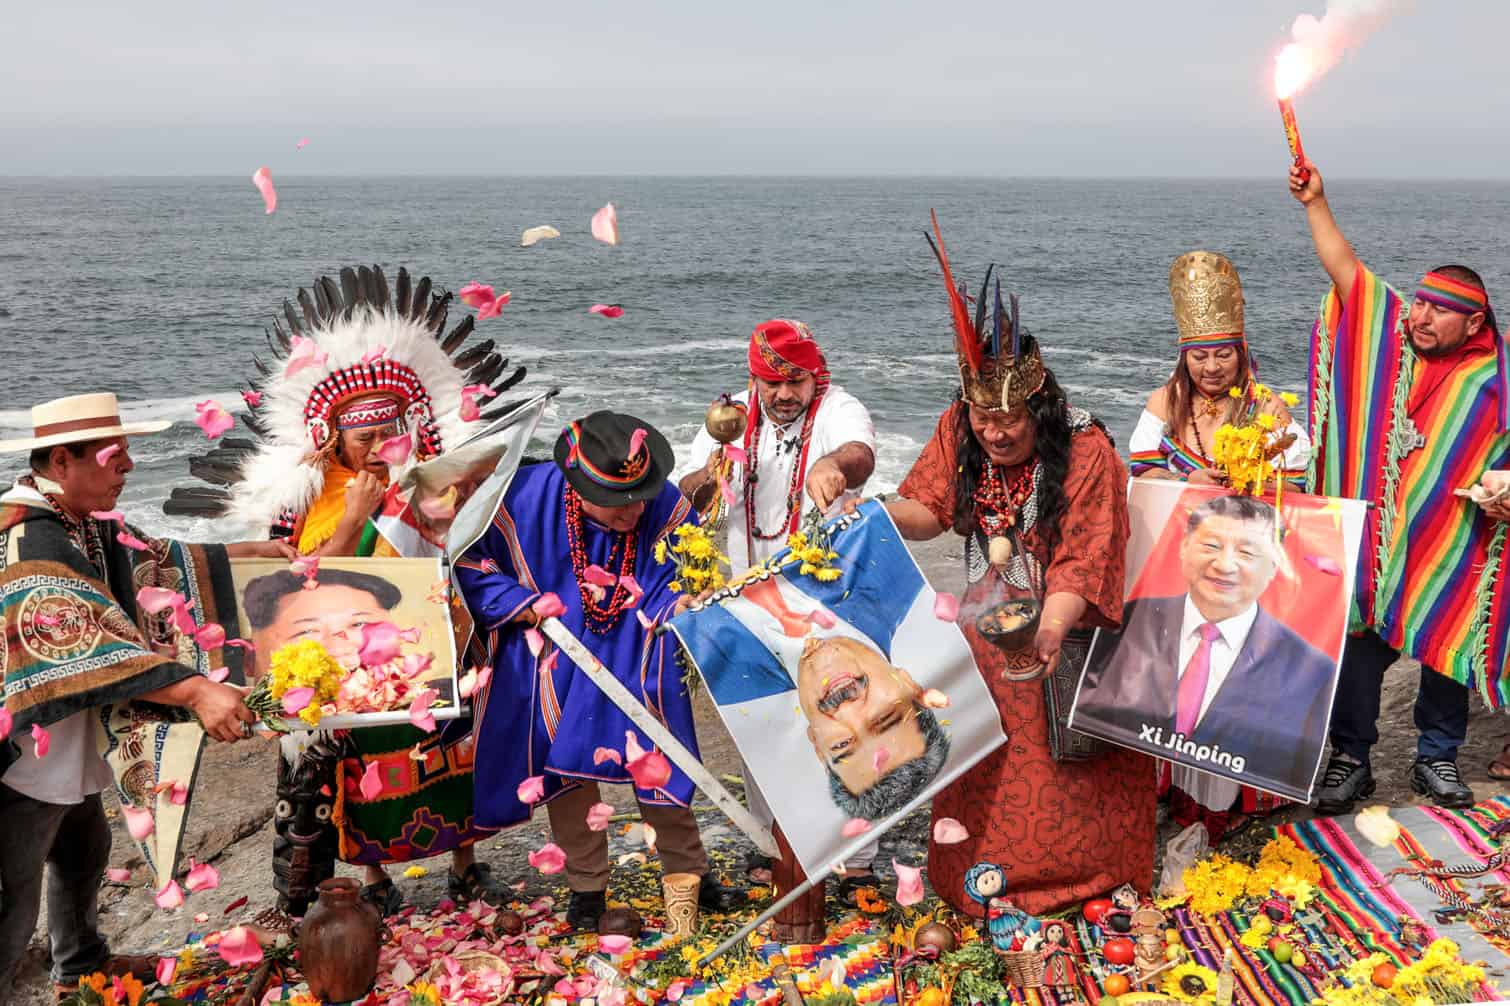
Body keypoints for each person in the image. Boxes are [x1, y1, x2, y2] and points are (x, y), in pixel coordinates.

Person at [170, 266, 523, 913]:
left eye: (390, 435)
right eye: (366, 438)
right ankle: (375, 881)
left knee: (453, 761)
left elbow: (462, 546)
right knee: (363, 778)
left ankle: (466, 865)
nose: (380, 449)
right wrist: (359, 516)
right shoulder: (308, 495)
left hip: (429, 642)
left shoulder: (426, 475)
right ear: (336, 436)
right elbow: (299, 580)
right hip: (348, 652)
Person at [876, 216, 1154, 917]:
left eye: (1009, 423)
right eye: (981, 420)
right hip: (988, 620)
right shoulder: (958, 426)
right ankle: (977, 880)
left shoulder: (1088, 451)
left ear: (1039, 407)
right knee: (982, 756)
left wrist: (1049, 630)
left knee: (1070, 755)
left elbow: (1086, 558)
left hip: (1069, 627)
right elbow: (927, 508)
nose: (993, 434)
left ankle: (1084, 882)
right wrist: (873, 512)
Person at [0, 392, 285, 996]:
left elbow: (151, 561)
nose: (127, 467)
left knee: (84, 844)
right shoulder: (29, 539)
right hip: (21, 755)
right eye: (112, 456)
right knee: (12, 895)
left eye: (128, 454)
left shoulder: (79, 520)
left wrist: (240, 554)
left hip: (63, 734)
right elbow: (80, 638)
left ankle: (79, 964)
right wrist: (195, 690)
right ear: (59, 463)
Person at [455, 411, 742, 930]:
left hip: (640, 641)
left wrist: (679, 605)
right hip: (554, 646)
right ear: (577, 485)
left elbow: (681, 569)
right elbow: (468, 562)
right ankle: (587, 888)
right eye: (617, 503)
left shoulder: (663, 501)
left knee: (661, 757)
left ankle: (690, 874)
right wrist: (522, 604)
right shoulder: (521, 498)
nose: (634, 510)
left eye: (640, 496)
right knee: (563, 767)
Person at [1290, 162, 1510, 813]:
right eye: (1419, 302)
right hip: (1377, 543)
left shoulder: (1493, 384)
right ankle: (1351, 759)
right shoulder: (1390, 347)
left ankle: (1436, 758)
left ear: (1474, 323)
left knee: (1447, 646)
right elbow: (1347, 271)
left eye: (1441, 311)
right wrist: (1317, 202)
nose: (1421, 316)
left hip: (1451, 548)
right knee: (1358, 654)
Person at [678, 318, 879, 891]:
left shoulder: (839, 407)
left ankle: (859, 857)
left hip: (827, 597)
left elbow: (859, 451)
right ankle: (771, 845)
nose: (785, 395)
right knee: (759, 719)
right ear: (754, 379)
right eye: (772, 383)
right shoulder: (729, 419)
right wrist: (708, 480)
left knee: (847, 717)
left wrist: (835, 467)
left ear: (816, 377)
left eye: (797, 382)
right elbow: (689, 488)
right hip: (747, 598)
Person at [1129, 250, 1314, 840]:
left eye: (1222, 352)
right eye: (1200, 354)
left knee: (1234, 675)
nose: (1212, 366)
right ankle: (1173, 786)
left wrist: (1252, 482)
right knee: (1180, 673)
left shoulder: (1269, 407)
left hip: (1246, 571)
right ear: (1185, 356)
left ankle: (1231, 797)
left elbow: (1301, 484)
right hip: (1184, 566)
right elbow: (1139, 474)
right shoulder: (1165, 403)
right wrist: (1188, 483)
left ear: (1241, 350)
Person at [1075, 495, 1336, 792]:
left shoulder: (1310, 671)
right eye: (1211, 546)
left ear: (1275, 567)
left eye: (1247, 553)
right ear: (1184, 547)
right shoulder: (1126, 622)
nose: (1225, 566)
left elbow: (1289, 763)